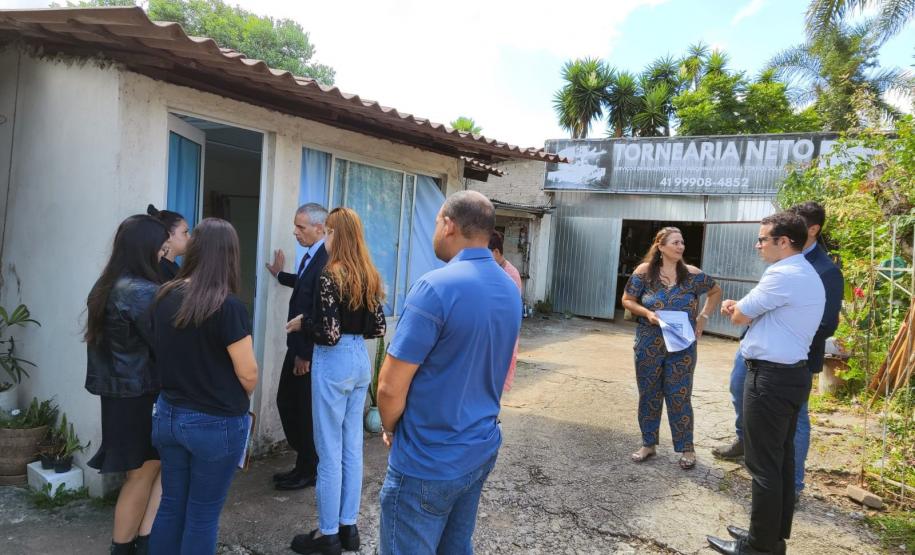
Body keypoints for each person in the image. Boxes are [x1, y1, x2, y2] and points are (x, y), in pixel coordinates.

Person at [376, 191, 521, 554]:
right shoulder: (509, 287)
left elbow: (390, 388)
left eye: (437, 222)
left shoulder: (435, 288)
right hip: (479, 447)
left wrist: (391, 427)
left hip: (428, 460)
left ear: (448, 224)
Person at [707, 212, 825, 555]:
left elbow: (743, 315)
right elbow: (756, 311)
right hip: (792, 374)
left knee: (762, 465)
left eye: (763, 239)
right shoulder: (806, 271)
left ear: (783, 242)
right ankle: (771, 535)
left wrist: (736, 308)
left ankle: (758, 547)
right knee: (781, 460)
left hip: (770, 378)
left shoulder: (782, 273)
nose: (758, 245)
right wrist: (742, 308)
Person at [712, 202, 843, 500]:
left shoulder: (824, 270)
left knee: (792, 425)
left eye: (763, 239)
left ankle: (792, 485)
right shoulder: (784, 264)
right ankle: (747, 440)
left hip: (787, 358)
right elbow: (765, 304)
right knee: (740, 394)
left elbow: (825, 323)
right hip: (756, 347)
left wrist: (783, 334)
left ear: (812, 230)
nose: (759, 244)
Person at [148, 218, 258, 555]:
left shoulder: (165, 295)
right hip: (215, 422)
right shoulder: (227, 306)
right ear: (229, 256)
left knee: (171, 504)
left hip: (168, 415)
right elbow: (249, 375)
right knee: (202, 515)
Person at [285, 207, 386, 555]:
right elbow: (378, 328)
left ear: (335, 234)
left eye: (327, 231)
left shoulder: (331, 274)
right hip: (360, 359)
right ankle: (349, 529)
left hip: (335, 360)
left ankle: (327, 534)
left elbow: (328, 335)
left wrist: (303, 324)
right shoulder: (369, 274)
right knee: (351, 448)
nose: (324, 237)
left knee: (328, 451)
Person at [84, 214, 169, 555]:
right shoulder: (142, 291)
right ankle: (125, 547)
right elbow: (164, 342)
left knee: (147, 471)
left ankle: (143, 542)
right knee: (143, 473)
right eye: (161, 248)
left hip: (119, 393)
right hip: (140, 393)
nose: (164, 254)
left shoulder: (107, 284)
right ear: (146, 249)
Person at [620, 227, 722, 470]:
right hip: (648, 342)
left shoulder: (693, 275)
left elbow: (715, 291)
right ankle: (648, 444)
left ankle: (687, 448)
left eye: (682, 243)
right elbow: (627, 300)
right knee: (649, 393)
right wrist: (647, 313)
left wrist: (703, 317)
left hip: (682, 345)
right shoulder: (644, 273)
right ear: (661, 246)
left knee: (679, 395)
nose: (681, 246)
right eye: (675, 242)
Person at [265, 203, 329, 490]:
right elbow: (304, 287)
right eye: (296, 226)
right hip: (298, 346)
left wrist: (304, 353)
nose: (295, 232)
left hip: (306, 350)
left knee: (300, 410)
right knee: (289, 404)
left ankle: (309, 469)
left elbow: (317, 309)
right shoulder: (310, 256)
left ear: (320, 228)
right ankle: (302, 464)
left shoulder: (325, 259)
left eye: (301, 227)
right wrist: (280, 275)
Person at [489, 230, 522, 391]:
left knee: (496, 384)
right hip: (493, 334)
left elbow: (509, 312)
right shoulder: (494, 270)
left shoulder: (510, 274)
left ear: (496, 252)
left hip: (503, 336)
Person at [146, 204, 190, 281]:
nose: (189, 237)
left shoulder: (171, 265)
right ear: (168, 235)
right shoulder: (162, 270)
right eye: (185, 232)